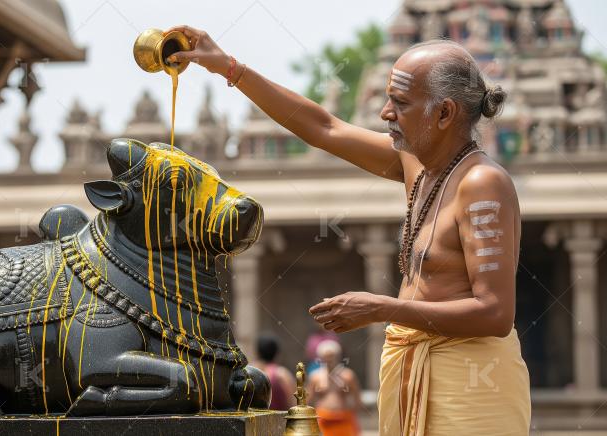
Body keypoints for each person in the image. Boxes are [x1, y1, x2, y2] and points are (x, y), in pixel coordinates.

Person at [164, 26, 530, 435]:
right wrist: (230, 68)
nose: (385, 113)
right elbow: (325, 128)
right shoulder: (417, 166)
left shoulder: (481, 183)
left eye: (400, 103)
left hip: (471, 385)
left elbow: (495, 314)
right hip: (410, 372)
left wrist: (382, 309)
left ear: (444, 114)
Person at [306, 340, 361, 436]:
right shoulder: (315, 377)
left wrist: (352, 418)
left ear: (338, 357)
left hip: (343, 420)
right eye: (326, 357)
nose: (329, 360)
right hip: (322, 420)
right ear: (321, 358)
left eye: (332, 356)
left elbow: (357, 400)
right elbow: (307, 401)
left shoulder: (348, 376)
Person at [254, 333, 296, 410]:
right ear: (277, 353)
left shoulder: (251, 373)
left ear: (258, 352)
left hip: (254, 421)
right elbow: (293, 405)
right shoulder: (281, 374)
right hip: (278, 420)